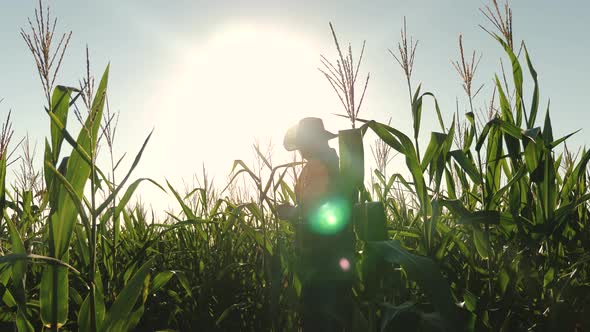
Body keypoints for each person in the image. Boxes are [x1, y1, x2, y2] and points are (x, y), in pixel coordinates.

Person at [278, 117, 354, 332]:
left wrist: (291, 212)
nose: (300, 150)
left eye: (302, 143)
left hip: (322, 256)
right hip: (326, 254)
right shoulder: (328, 162)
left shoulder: (319, 164)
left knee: (318, 317)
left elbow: (315, 208)